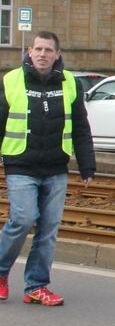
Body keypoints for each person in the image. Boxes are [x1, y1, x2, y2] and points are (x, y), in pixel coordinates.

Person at [0, 31, 96, 306]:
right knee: (22, 219)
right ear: (29, 51)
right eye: (38, 49)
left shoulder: (70, 84)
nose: (43, 54)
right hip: (21, 165)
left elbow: (80, 127)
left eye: (48, 50)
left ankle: (36, 285)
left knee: (48, 229)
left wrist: (87, 164)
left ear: (58, 55)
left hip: (55, 168)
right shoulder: (11, 80)